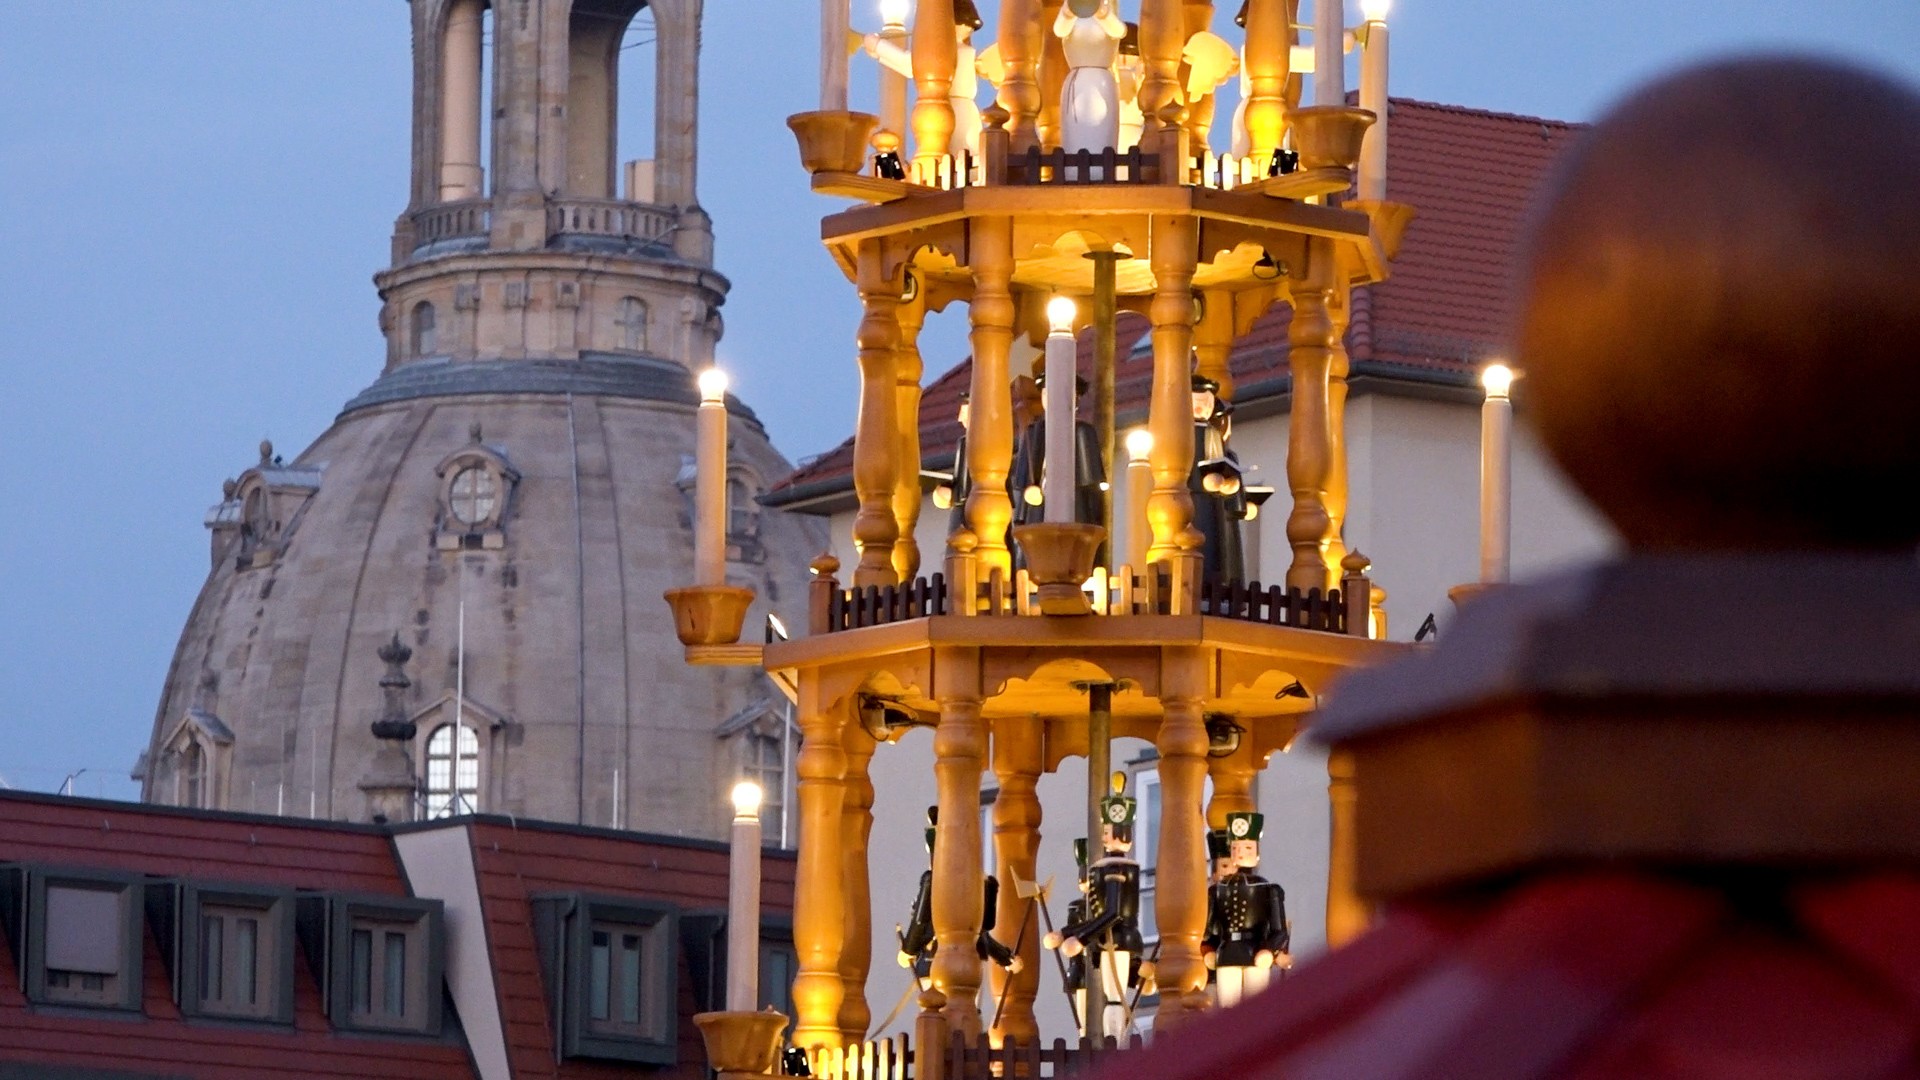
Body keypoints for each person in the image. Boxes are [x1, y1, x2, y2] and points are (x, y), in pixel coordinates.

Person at [1045, 774, 1152, 1039]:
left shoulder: (1118, 868)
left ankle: (1115, 1040)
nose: (1105, 835)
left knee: (1114, 997)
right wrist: (1065, 933)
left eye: (1109, 830)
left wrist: (1080, 938)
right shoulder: (1105, 867)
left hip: (1118, 939)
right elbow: (1096, 912)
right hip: (1107, 939)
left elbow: (1112, 913)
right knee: (1109, 995)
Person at [863, 0, 988, 173]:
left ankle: (893, 171)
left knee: (954, 161)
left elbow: (913, 65)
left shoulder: (955, 53)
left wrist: (879, 47)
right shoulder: (962, 52)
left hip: (952, 117)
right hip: (953, 114)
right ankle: (893, 171)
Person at [899, 806, 1021, 978]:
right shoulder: (979, 884)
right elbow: (981, 933)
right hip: (964, 962)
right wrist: (1006, 958)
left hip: (938, 961)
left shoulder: (935, 882)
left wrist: (908, 949)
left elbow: (920, 921)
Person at [1203, 811, 1290, 1007]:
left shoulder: (1267, 888)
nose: (1240, 853)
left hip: (1256, 952)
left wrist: (1269, 949)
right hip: (1227, 953)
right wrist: (1208, 949)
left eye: (1248, 847)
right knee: (1228, 1006)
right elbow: (1211, 929)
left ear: (1257, 852)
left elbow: (1279, 930)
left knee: (1256, 1006)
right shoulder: (1218, 890)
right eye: (1235, 848)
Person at [1054, 0, 1126, 176]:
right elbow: (1059, 30)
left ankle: (1102, 173)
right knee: (1075, 131)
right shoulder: (1071, 11)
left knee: (1103, 131)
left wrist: (1103, 14)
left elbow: (1119, 31)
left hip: (1102, 82)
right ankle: (1073, 174)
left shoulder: (1107, 9)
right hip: (1077, 81)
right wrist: (1068, 13)